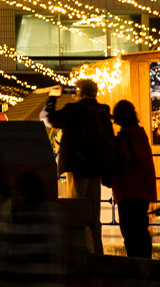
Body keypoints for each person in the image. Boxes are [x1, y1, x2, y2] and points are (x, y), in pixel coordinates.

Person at [43, 78, 116, 255]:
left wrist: (53, 98)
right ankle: (97, 252)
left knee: (77, 211)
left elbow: (48, 119)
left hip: (77, 167)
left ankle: (79, 252)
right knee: (93, 215)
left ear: (79, 92)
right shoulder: (103, 110)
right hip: (96, 169)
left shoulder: (74, 110)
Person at [111, 99, 158, 260]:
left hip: (128, 190)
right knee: (141, 228)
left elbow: (122, 165)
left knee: (130, 231)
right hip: (145, 189)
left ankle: (135, 264)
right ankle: (146, 262)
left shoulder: (124, 138)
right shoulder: (141, 135)